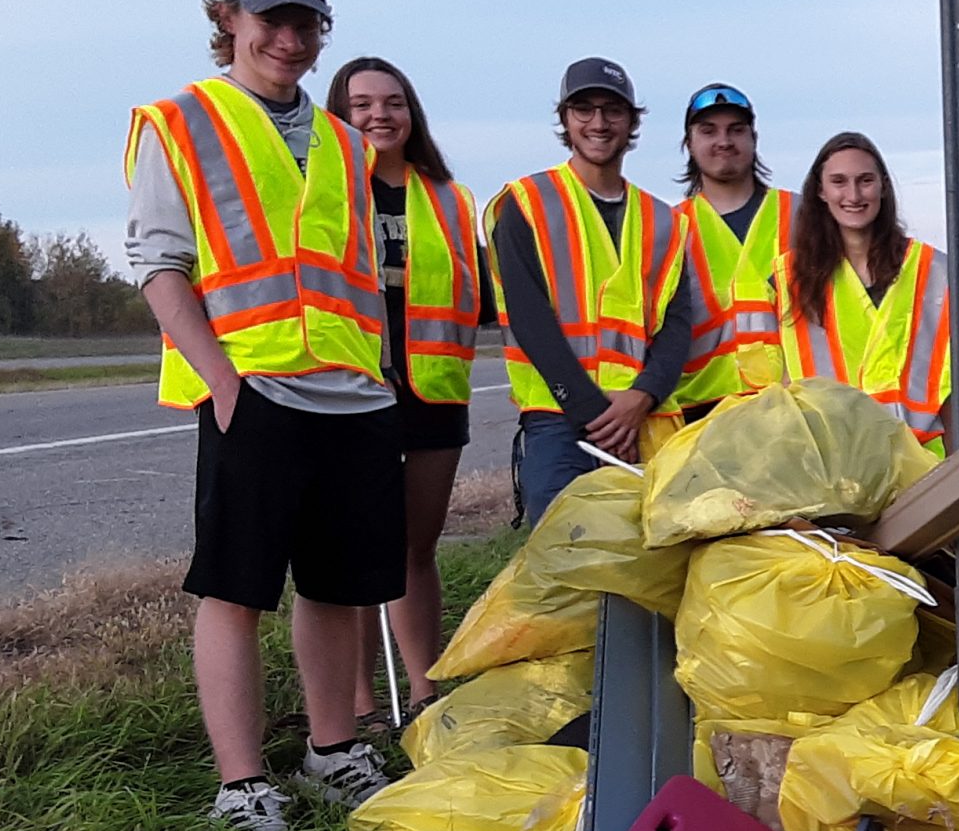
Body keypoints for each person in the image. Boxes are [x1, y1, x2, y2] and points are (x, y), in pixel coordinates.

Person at [125, 0, 400, 831]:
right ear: (228, 21)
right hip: (256, 394)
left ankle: (330, 753)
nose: (288, 37)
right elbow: (160, 267)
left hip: (351, 396)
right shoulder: (182, 122)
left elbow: (352, 273)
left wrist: (377, 378)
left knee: (336, 587)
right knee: (237, 590)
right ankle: (241, 786)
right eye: (269, 18)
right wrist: (222, 383)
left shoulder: (349, 147)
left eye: (305, 21)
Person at [327, 56, 489, 720]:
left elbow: (475, 296)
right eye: (362, 104)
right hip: (355, 388)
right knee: (357, 550)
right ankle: (360, 701)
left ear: (411, 113)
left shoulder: (449, 198)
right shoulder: (326, 190)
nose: (379, 115)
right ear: (339, 114)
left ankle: (425, 689)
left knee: (415, 549)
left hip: (434, 391)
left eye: (393, 103)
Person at [489, 58, 693, 525]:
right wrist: (591, 414)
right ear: (564, 119)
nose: (598, 123)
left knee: (644, 574)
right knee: (561, 572)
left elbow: (677, 323)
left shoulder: (664, 221)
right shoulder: (526, 203)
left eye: (612, 110)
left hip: (643, 420)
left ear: (632, 121)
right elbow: (529, 318)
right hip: (559, 421)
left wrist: (642, 396)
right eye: (584, 109)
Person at [764, 133, 951, 452]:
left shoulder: (932, 269)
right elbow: (783, 385)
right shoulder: (788, 278)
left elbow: (950, 383)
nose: (853, 194)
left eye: (865, 180)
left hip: (919, 463)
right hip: (834, 464)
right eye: (839, 181)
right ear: (821, 191)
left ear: (883, 187)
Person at [677, 82, 792, 412]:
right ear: (689, 143)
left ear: (753, 138)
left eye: (736, 130)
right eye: (709, 131)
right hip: (701, 412)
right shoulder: (669, 230)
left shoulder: (803, 216)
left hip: (791, 407)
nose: (724, 141)